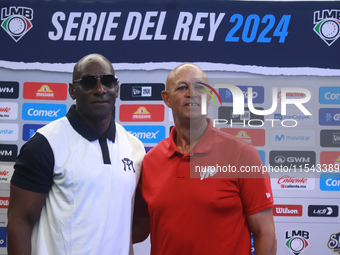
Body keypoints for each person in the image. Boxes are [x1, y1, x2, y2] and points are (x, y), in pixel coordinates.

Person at [7, 53, 145, 255]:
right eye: (89, 82)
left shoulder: (134, 147)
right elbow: (20, 220)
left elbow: (124, 229)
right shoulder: (45, 143)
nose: (100, 90)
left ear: (116, 89)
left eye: (107, 81)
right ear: (73, 90)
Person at [134, 63, 277, 254]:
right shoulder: (150, 160)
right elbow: (138, 230)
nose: (192, 93)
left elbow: (264, 233)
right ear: (166, 99)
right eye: (182, 87)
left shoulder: (242, 154)